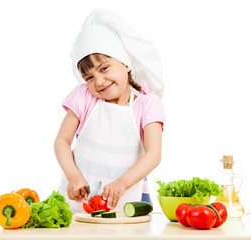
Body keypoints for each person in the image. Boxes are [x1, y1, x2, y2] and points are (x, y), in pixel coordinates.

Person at [54, 8, 166, 213]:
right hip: (79, 203)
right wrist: (73, 177)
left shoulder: (147, 103)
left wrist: (121, 184)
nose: (99, 81)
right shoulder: (83, 96)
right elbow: (62, 141)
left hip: (128, 199)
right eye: (88, 77)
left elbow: (153, 154)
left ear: (125, 64)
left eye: (104, 68)